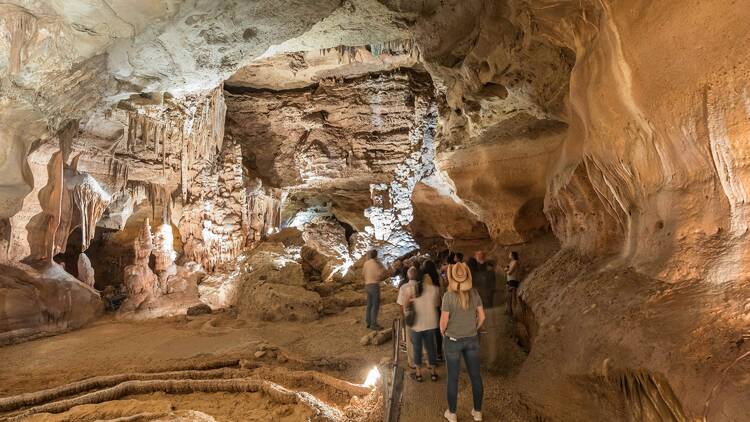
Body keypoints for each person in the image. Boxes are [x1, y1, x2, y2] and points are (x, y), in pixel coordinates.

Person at [441, 261, 485, 422]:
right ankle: (478, 412)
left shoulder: (448, 296)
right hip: (472, 339)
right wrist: (475, 328)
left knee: (453, 377)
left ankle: (452, 414)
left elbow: (443, 321)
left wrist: (443, 333)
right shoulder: (474, 294)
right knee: (476, 376)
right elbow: (482, 317)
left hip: (452, 340)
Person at [398, 266, 440, 382]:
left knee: (417, 348)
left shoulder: (409, 289)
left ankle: (418, 373)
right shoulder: (433, 289)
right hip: (430, 323)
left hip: (416, 325)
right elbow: (437, 305)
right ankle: (432, 372)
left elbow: (405, 306)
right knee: (431, 347)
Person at [422, 259, 444, 361]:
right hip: (437, 306)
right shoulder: (438, 276)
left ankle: (432, 354)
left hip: (428, 307)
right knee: (437, 331)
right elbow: (442, 291)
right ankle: (439, 353)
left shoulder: (425, 277)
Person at [362, 249, 389, 330]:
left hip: (367, 285)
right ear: (376, 255)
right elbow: (380, 274)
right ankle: (374, 324)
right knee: (375, 305)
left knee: (369, 304)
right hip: (374, 285)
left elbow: (363, 273)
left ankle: (368, 322)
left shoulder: (366, 263)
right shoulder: (376, 264)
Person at [505, 251, 520, 315]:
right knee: (508, 297)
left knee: (513, 297)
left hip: (513, 280)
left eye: (510, 254)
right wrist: (507, 270)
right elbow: (505, 269)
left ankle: (515, 312)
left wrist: (507, 270)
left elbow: (509, 272)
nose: (509, 255)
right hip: (509, 280)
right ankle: (509, 311)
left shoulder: (515, 262)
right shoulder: (511, 262)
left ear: (512, 255)